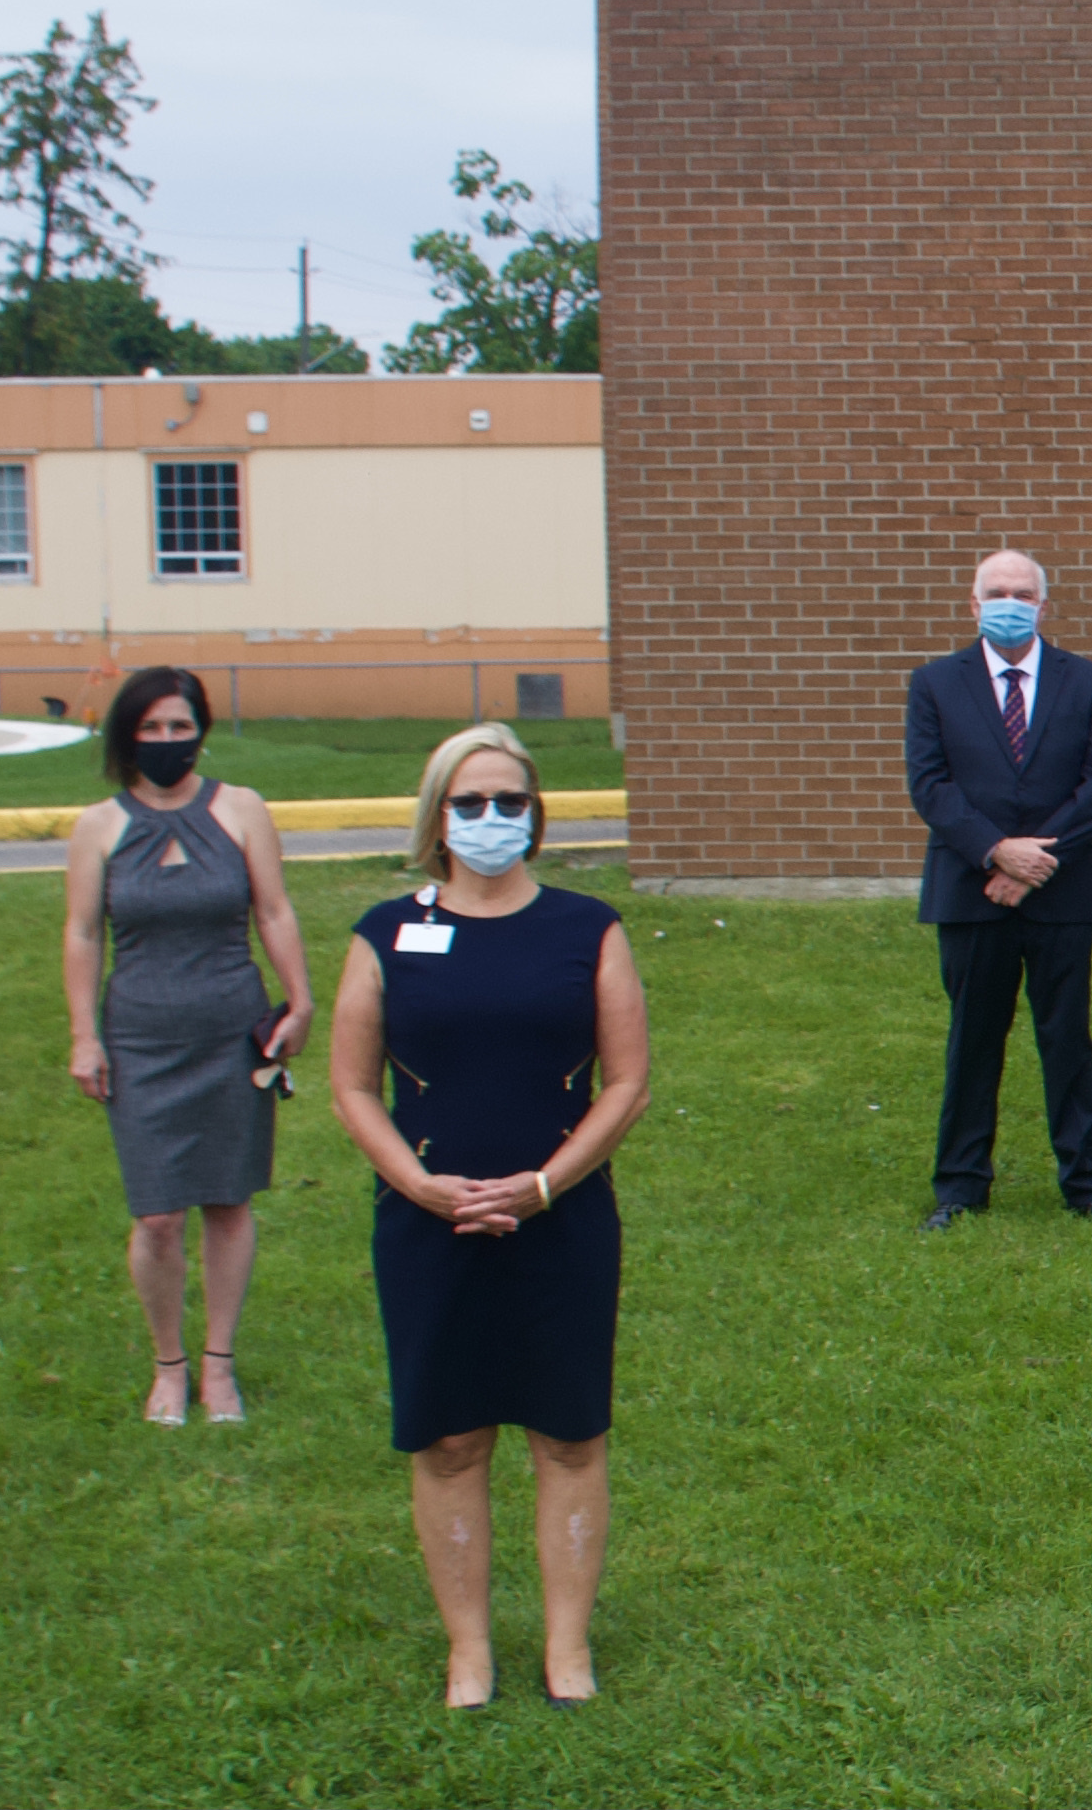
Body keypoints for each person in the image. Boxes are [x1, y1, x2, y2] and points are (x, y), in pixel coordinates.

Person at [324, 724, 650, 1710]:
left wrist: (547, 1183)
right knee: (450, 1439)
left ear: (537, 816)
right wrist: (417, 1187)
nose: (492, 820)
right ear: (436, 818)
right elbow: (351, 1088)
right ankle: (468, 1650)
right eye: (470, 804)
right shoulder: (385, 934)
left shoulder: (587, 928)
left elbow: (625, 1082)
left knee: (567, 1437)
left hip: (562, 1221)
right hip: (429, 1225)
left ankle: (567, 1648)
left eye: (510, 802)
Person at [60, 664, 309, 1425]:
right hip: (139, 1036)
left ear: (200, 728)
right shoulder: (98, 825)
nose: (169, 740)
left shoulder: (241, 809)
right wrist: (84, 1036)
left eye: (181, 725)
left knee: (229, 1200)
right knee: (159, 1215)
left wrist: (299, 1000)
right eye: (152, 727)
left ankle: (219, 1367)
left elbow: (273, 908)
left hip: (230, 1030)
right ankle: (168, 1364)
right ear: (126, 735)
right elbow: (81, 932)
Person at [904, 547, 1092, 1231]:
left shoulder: (1087, 681)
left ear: (1043, 605)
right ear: (972, 604)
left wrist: (1035, 860)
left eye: (1021, 591)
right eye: (995, 590)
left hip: (1063, 891)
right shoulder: (935, 683)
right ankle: (961, 1184)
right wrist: (996, 852)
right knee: (974, 1037)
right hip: (970, 890)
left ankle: (1086, 1183)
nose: (1008, 601)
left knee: (1067, 1039)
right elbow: (930, 783)